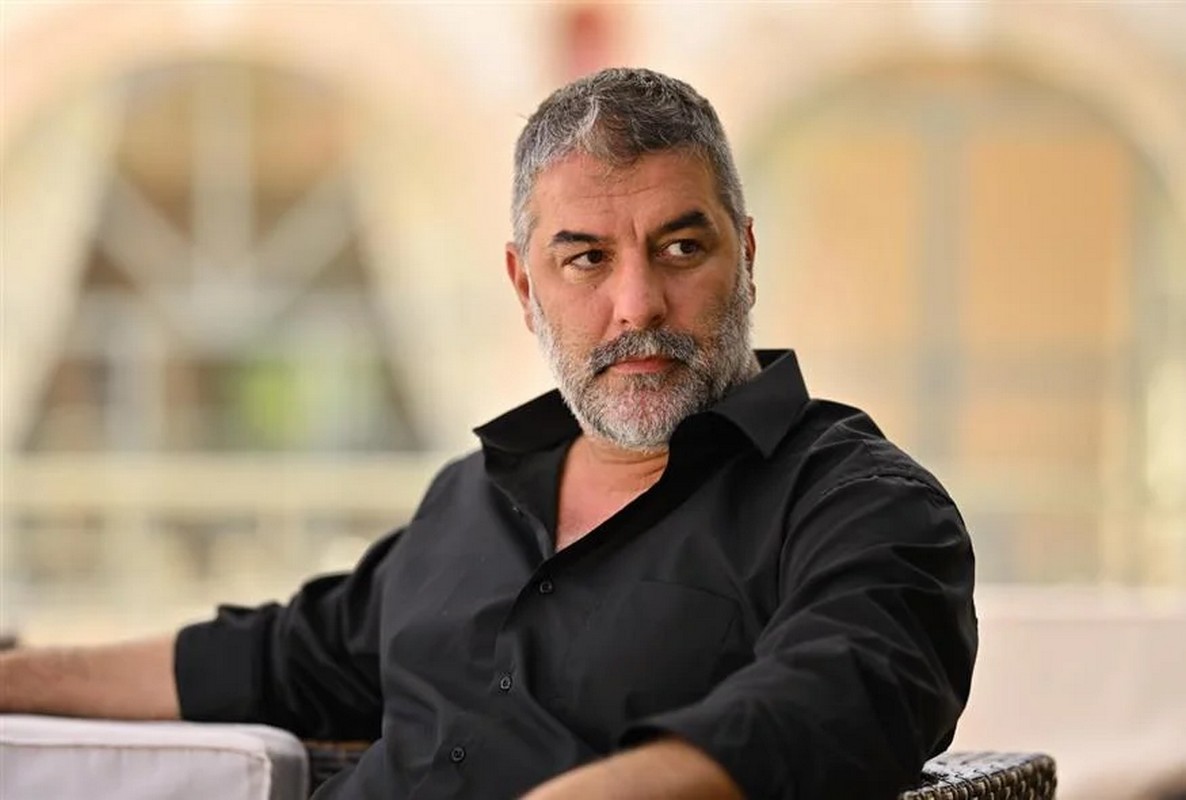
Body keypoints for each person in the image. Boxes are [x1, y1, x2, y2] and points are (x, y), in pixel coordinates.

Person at [0, 68, 977, 799]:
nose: (637, 303)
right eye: (585, 259)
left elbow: (843, 695)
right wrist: (13, 679)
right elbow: (279, 655)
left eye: (681, 247)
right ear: (523, 285)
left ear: (746, 253)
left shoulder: (861, 506)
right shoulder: (472, 495)